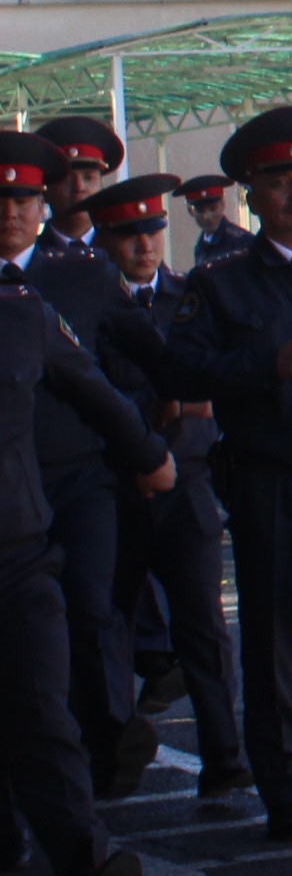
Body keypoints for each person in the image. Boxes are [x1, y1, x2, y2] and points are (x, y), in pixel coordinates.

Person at [164, 106, 292, 839]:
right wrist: (265, 366)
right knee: (270, 647)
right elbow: (180, 367)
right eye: (280, 181)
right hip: (270, 476)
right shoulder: (222, 283)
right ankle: (282, 790)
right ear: (252, 194)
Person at [0, 264, 167, 876]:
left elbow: (92, 388)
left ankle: (86, 871)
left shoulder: (20, 312)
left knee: (43, 710)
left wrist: (148, 454)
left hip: (16, 554)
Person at [80, 175, 247, 806]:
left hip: (187, 482)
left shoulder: (188, 297)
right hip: (112, 486)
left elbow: (210, 386)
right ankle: (114, 753)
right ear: (104, 241)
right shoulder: (86, 307)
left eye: (151, 231)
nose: (144, 246)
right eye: (128, 236)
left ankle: (224, 758)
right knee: (108, 624)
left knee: (203, 625)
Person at [0, 131, 156, 800]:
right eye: (1, 199)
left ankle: (110, 744)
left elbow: (141, 354)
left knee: (93, 611)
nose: (12, 211)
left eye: (24, 198)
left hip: (78, 478)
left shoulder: (82, 272)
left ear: (44, 203)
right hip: (10, 496)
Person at [34, 119, 122, 259]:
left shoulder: (121, 254)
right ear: (46, 191)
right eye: (67, 179)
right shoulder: (30, 258)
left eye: (88, 177)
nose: (79, 187)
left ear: (101, 187)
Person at [182, 175, 252, 268]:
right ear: (191, 211)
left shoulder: (242, 242)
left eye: (213, 208)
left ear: (223, 204)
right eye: (201, 210)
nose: (207, 216)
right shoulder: (201, 247)